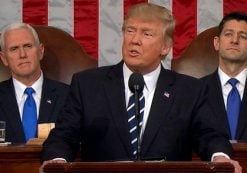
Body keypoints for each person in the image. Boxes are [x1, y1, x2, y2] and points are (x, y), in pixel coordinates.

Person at [41, 3, 241, 173]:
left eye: (146, 34)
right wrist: (57, 160)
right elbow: (63, 136)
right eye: (130, 30)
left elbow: (210, 135)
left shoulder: (189, 90)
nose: (134, 40)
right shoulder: (87, 85)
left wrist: (220, 157)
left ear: (165, 47)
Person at [0, 22, 69, 144]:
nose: (22, 55)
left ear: (41, 51)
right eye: (14, 49)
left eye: (27, 46)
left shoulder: (69, 96)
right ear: (4, 58)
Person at [201, 12, 247, 141]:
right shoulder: (195, 91)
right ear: (217, 43)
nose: (235, 40)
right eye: (228, 34)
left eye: (243, 36)